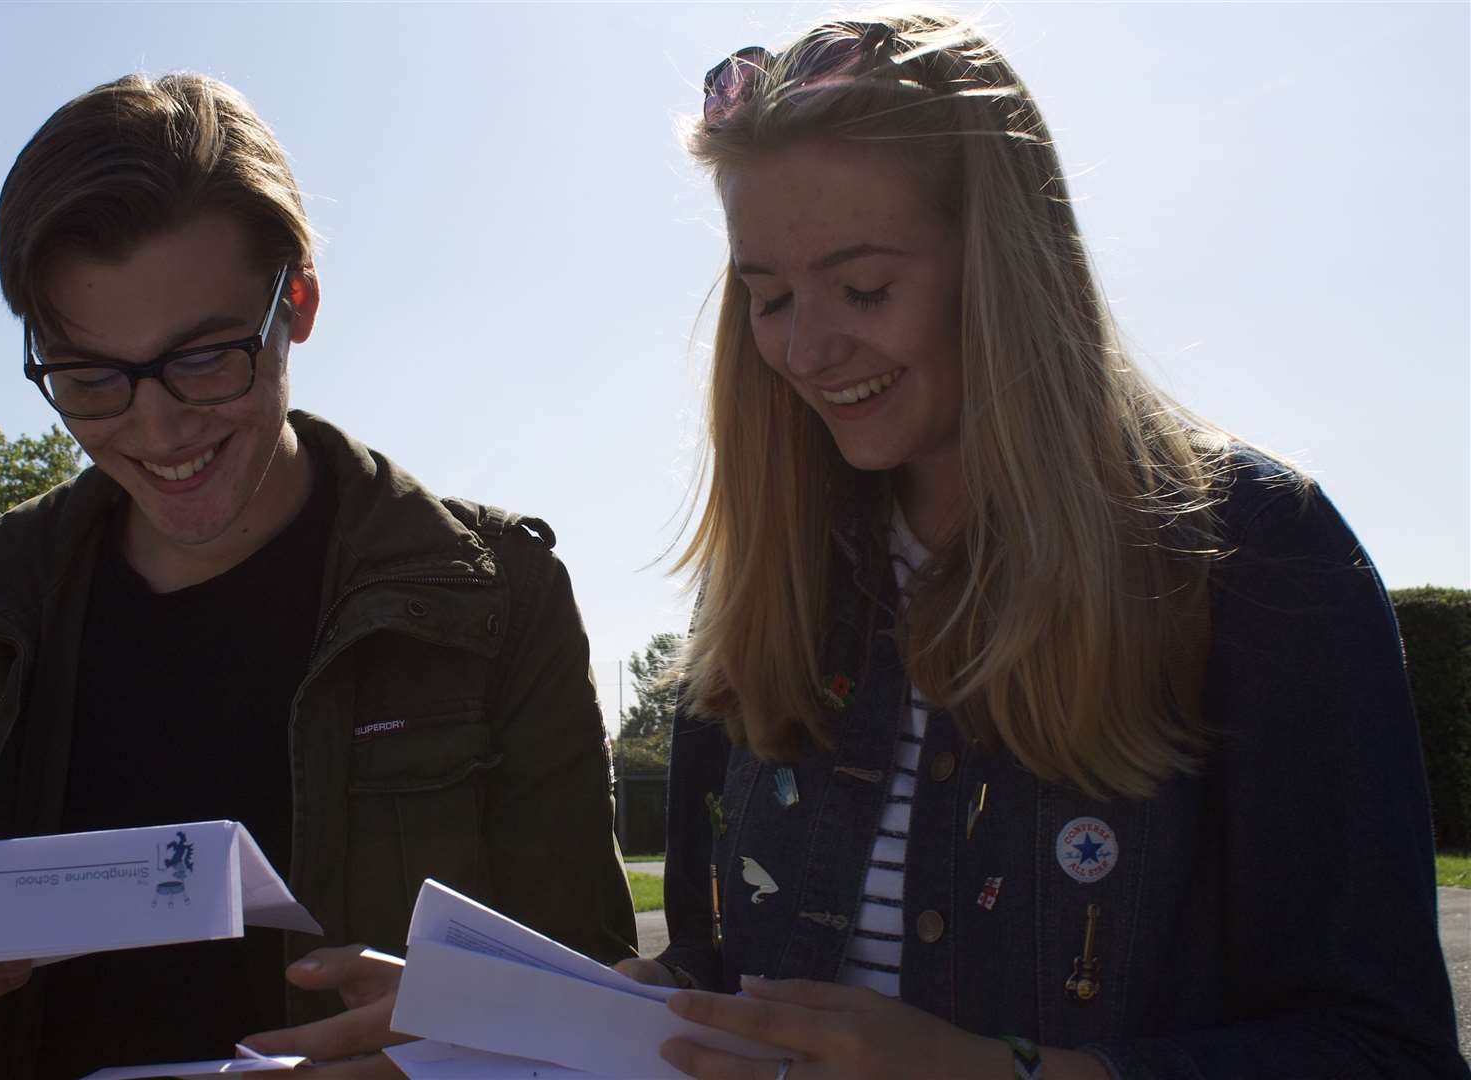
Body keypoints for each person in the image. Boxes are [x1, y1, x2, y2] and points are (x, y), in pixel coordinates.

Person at [611, 10, 1468, 1079]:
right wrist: (596, 1010)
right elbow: (715, 960)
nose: (805, 348)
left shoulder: (1257, 555)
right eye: (768, 297)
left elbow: (1386, 1052)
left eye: (864, 288)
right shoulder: (765, 579)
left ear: (1004, 266)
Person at [0, 72, 636, 1080]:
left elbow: (589, 992)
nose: (157, 429)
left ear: (299, 304)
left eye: (206, 359)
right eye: (90, 377)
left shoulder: (492, 599)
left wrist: (470, 1037)